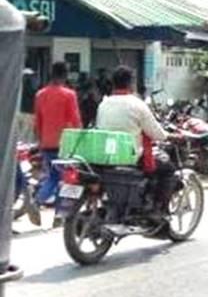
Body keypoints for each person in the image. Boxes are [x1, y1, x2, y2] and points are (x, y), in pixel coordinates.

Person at [95, 67, 175, 212]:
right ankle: (159, 209)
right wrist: (169, 136)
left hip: (107, 155)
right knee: (168, 169)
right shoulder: (137, 104)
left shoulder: (104, 103)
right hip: (131, 156)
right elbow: (157, 134)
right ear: (131, 83)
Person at [34, 61, 82, 208]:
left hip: (46, 143)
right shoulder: (69, 95)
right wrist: (81, 139)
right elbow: (76, 120)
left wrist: (40, 142)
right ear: (65, 75)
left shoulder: (40, 94)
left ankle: (36, 201)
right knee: (68, 179)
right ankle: (60, 214)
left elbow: (37, 122)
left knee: (53, 177)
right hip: (64, 144)